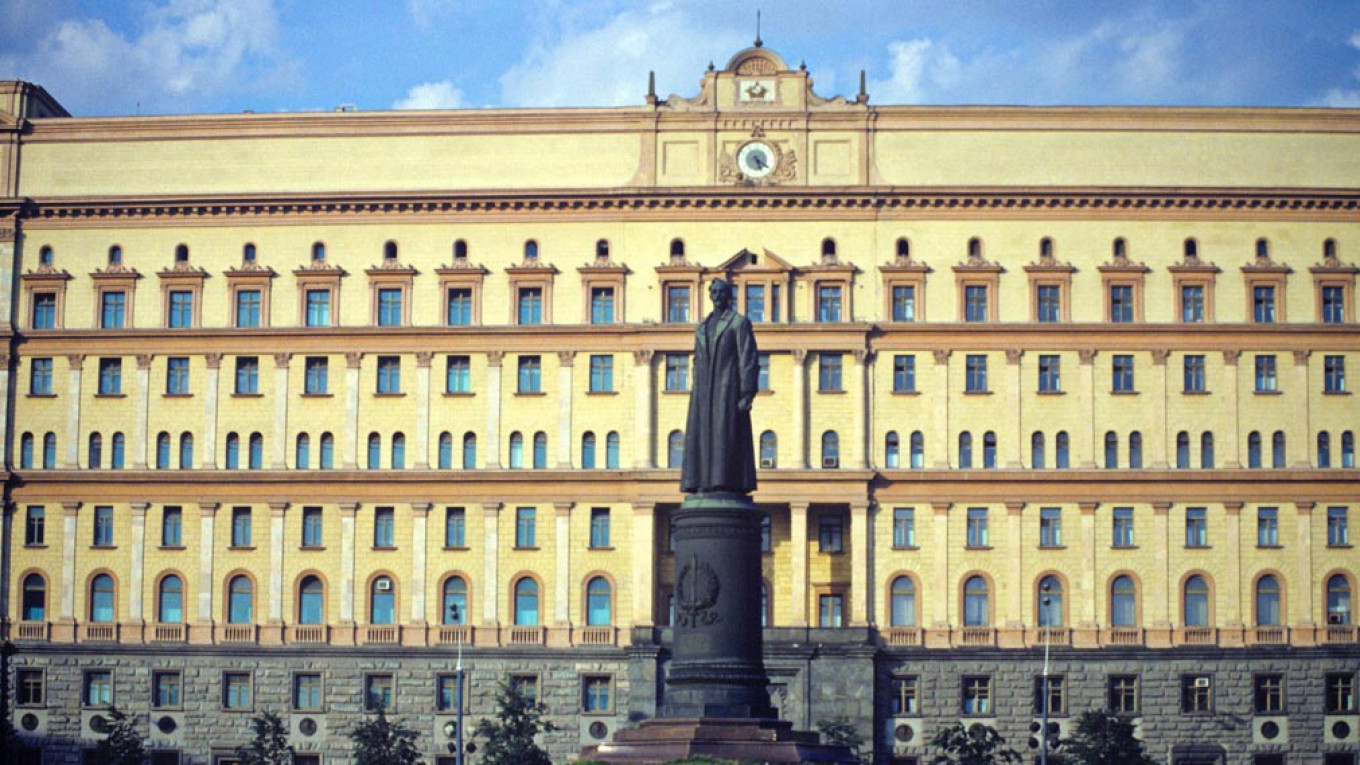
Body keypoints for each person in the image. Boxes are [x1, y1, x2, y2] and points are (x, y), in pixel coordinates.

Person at [680, 278, 759, 495]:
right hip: (704, 393)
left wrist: (747, 393)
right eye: (713, 292)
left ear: (728, 296)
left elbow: (748, 358)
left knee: (726, 436)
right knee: (702, 436)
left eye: (721, 292)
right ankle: (703, 481)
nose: (716, 295)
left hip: (728, 389)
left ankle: (724, 483)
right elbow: (696, 360)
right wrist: (696, 389)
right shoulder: (702, 327)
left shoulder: (738, 323)